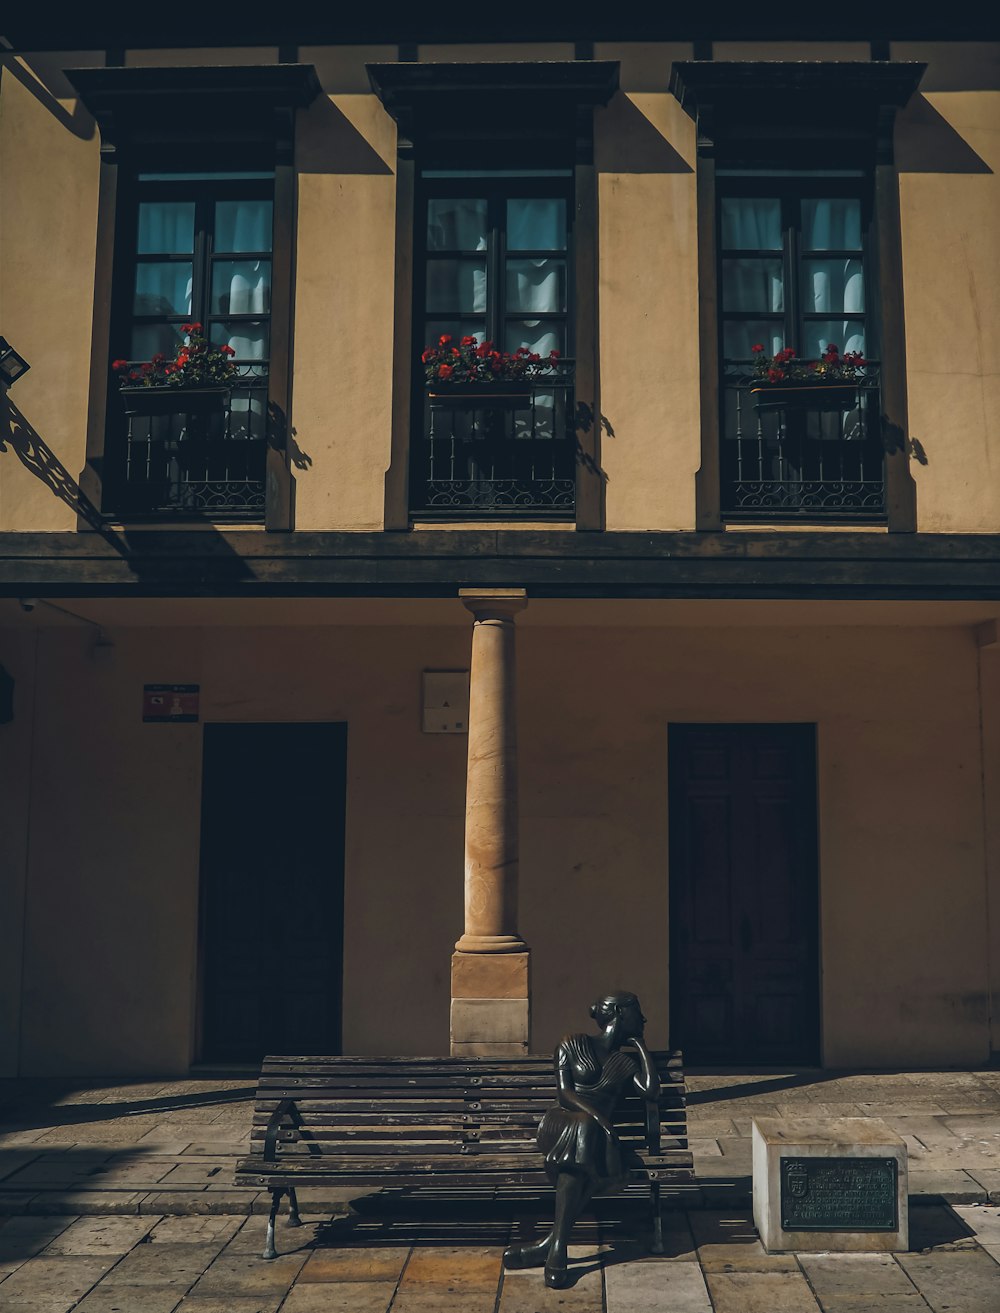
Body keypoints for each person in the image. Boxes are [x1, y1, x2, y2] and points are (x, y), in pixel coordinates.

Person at [502, 991, 659, 1288]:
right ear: (620, 1014)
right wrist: (601, 1120)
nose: (644, 1018)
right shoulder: (572, 1043)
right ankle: (555, 1248)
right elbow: (565, 1095)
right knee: (585, 1127)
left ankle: (553, 1247)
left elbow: (651, 1092)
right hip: (561, 1124)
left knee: (580, 1155)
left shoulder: (625, 1063)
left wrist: (640, 1046)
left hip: (594, 1139)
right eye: (638, 1013)